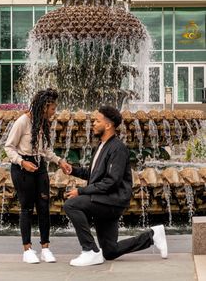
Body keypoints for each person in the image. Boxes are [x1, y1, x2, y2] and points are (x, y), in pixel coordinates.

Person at [63, 105, 168, 267]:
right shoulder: (101, 146)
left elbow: (112, 182)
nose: (93, 124)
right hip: (103, 199)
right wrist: (72, 170)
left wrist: (81, 191)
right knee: (110, 251)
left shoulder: (118, 148)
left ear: (108, 125)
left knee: (71, 205)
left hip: (112, 201)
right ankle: (153, 236)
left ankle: (90, 250)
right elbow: (94, 175)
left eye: (97, 121)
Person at [5, 88, 71, 264]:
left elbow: (45, 150)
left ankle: (45, 248)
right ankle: (27, 249)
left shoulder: (43, 123)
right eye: (52, 108)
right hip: (22, 168)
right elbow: (8, 147)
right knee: (26, 208)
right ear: (43, 107)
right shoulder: (23, 121)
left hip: (39, 166)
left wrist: (60, 162)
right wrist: (22, 162)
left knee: (43, 207)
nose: (53, 112)